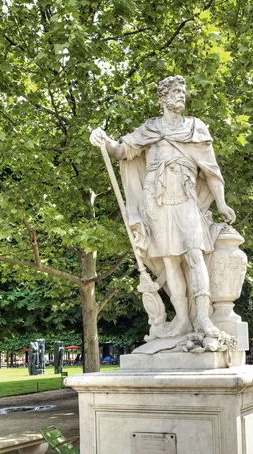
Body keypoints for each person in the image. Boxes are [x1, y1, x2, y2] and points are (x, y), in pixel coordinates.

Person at [90, 75, 236, 339]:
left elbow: (212, 171)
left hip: (187, 201)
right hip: (156, 203)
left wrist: (222, 204)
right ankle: (181, 319)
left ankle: (203, 318)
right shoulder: (150, 129)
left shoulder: (195, 129)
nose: (182, 95)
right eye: (176, 91)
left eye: (183, 91)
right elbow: (123, 151)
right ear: (163, 97)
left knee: (194, 255)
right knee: (170, 262)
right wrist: (104, 140)